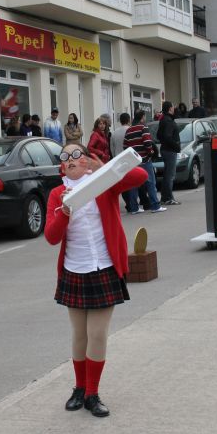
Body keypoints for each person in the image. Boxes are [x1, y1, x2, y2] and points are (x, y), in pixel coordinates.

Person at [44, 144, 147, 417]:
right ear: (62, 166)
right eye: (65, 157)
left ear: (87, 160)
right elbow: (52, 237)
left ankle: (92, 393)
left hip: (104, 268)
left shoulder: (102, 186)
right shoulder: (57, 194)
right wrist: (65, 210)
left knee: (97, 334)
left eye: (76, 155)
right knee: (79, 335)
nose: (70, 160)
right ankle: (78, 388)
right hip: (73, 270)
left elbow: (140, 177)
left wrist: (104, 170)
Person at [124, 110, 166, 214]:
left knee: (133, 184)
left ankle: (134, 208)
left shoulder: (129, 130)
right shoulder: (143, 127)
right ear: (142, 117)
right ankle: (155, 206)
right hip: (145, 159)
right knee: (150, 182)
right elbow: (147, 142)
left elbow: (125, 146)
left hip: (133, 161)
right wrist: (151, 152)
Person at [156, 101, 181, 205]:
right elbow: (167, 136)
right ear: (170, 108)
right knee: (170, 175)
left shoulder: (163, 119)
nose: (174, 109)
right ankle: (169, 198)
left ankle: (164, 197)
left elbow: (158, 135)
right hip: (170, 150)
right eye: (173, 107)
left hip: (165, 149)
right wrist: (176, 146)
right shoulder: (169, 121)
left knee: (167, 174)